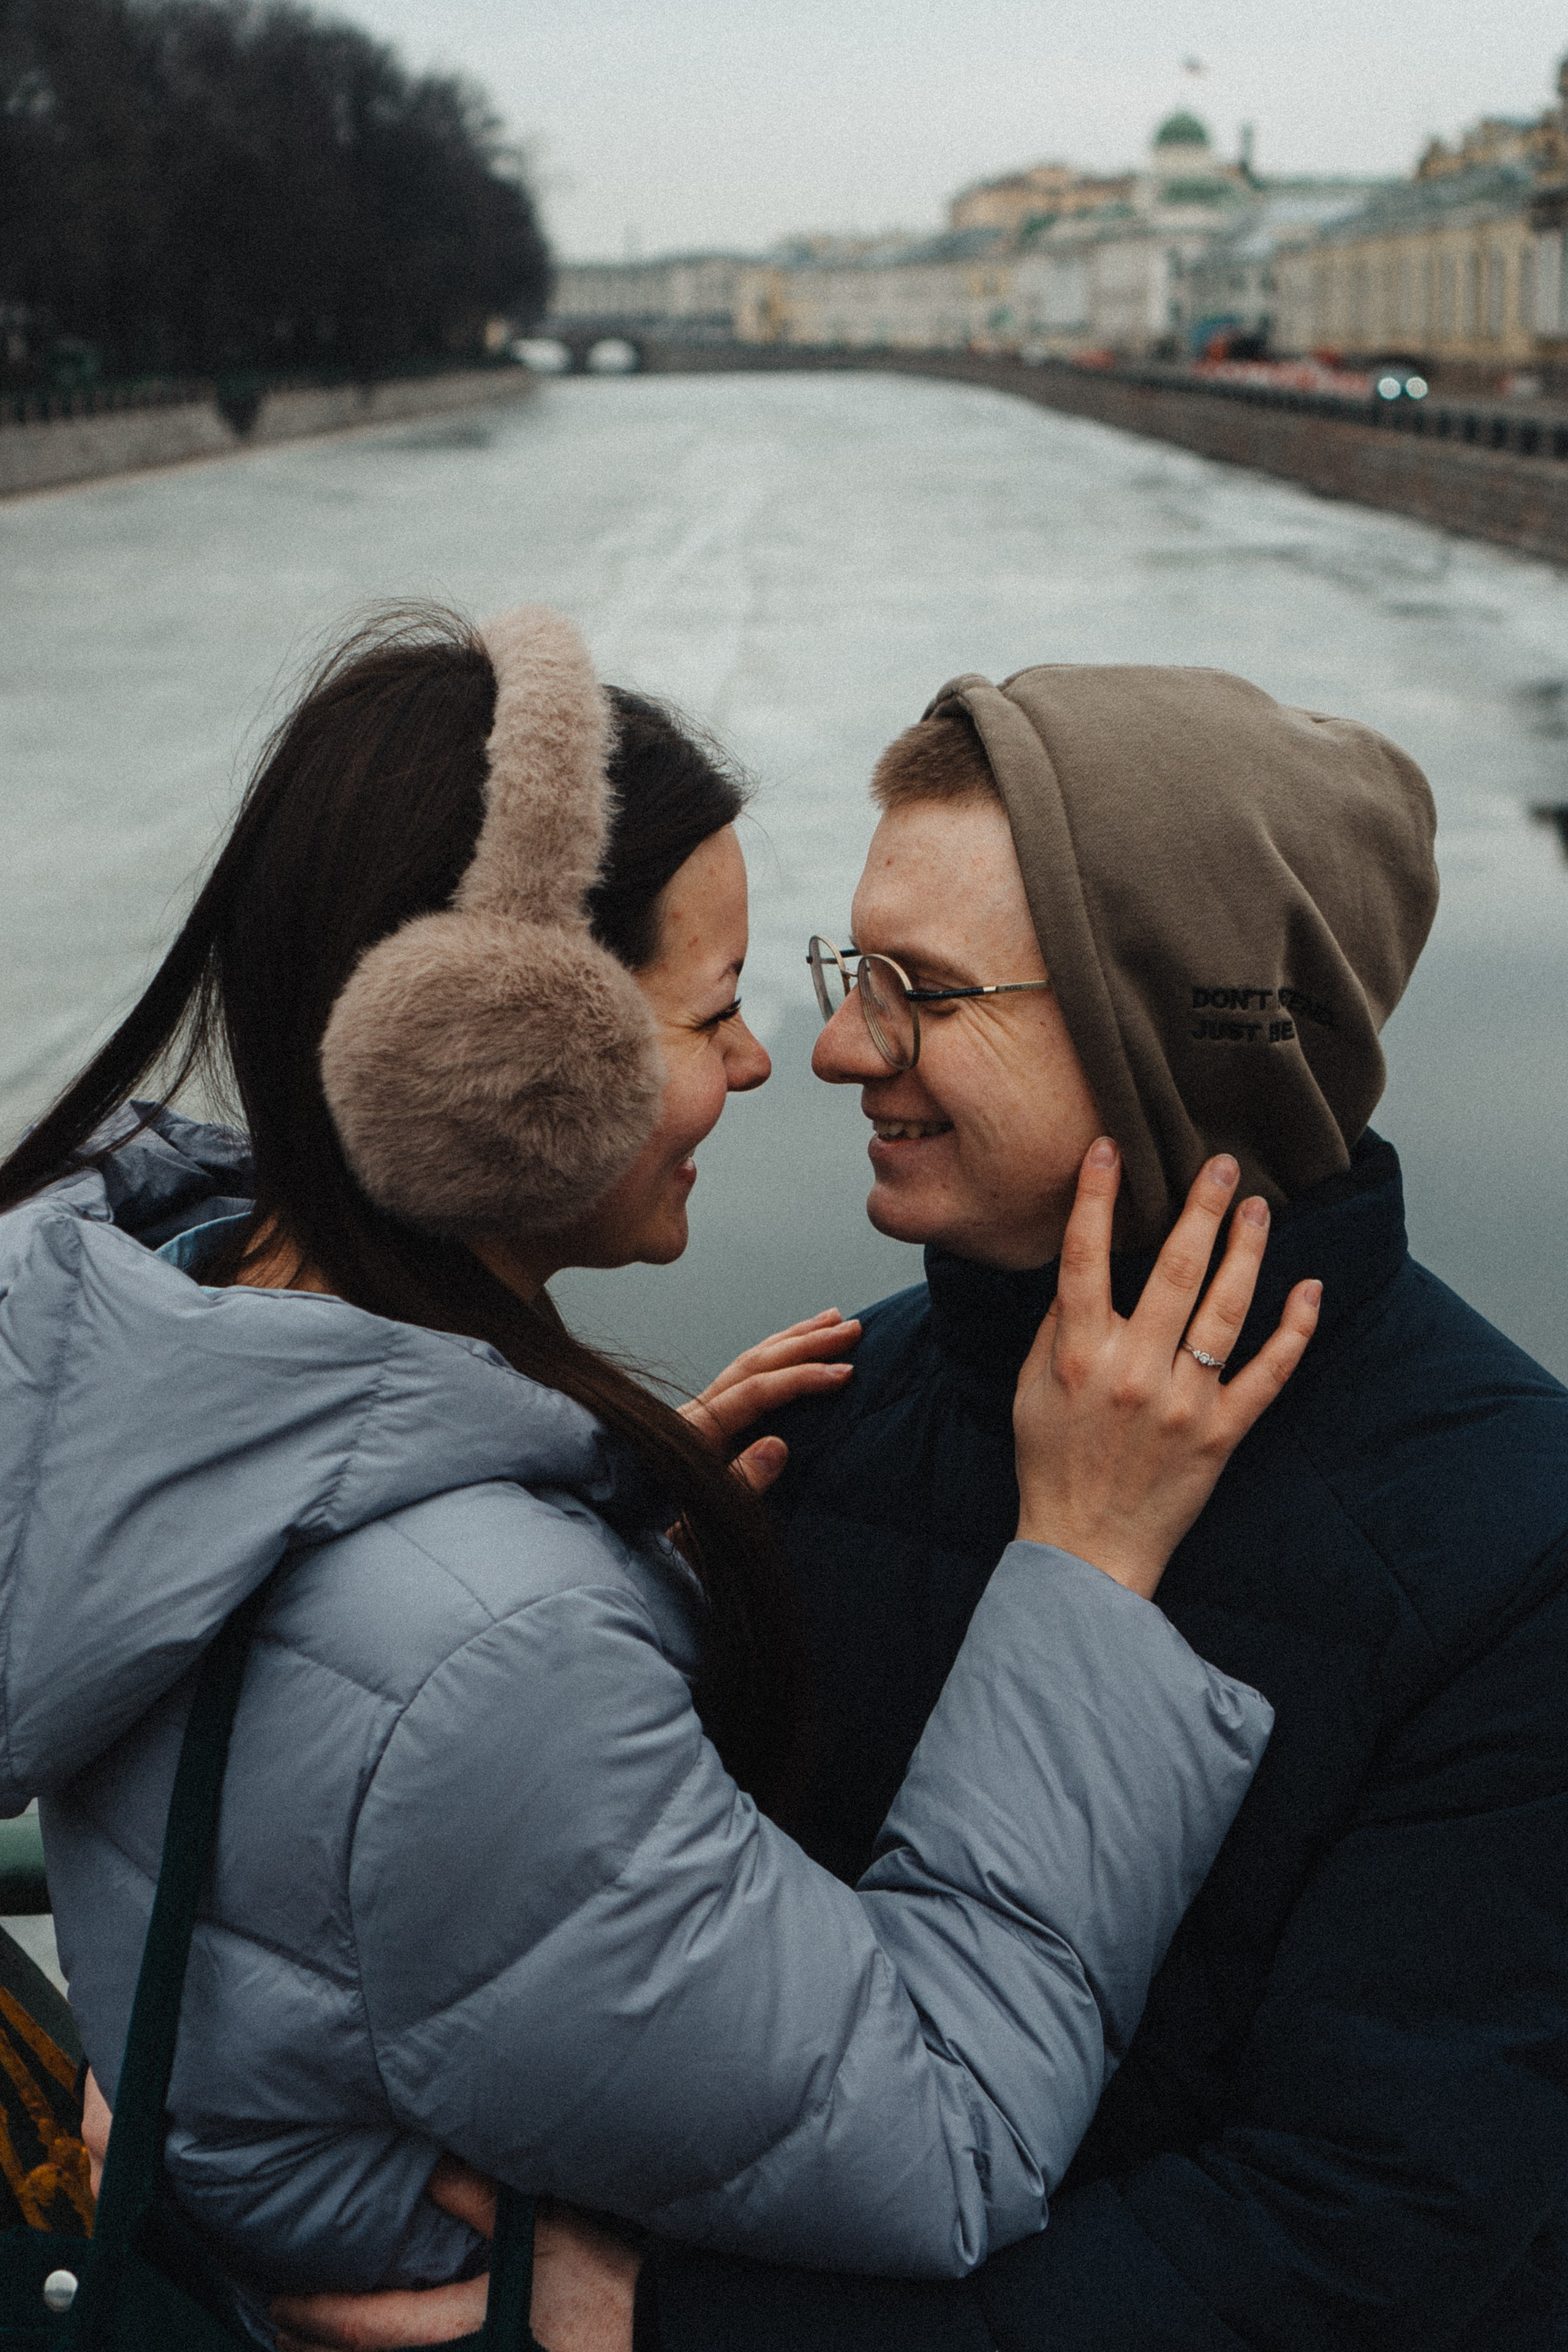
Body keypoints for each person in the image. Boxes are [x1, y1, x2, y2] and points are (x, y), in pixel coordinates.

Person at [0, 611, 1317, 2341]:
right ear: (508, 1067)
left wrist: (599, 1501)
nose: (776, 1061)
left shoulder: (165, 1335)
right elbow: (945, 2140)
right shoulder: (488, 1650)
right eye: (712, 1017)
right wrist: (1082, 1567)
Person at [303, 657, 1568, 2352]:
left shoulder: (1517, 1547)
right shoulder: (815, 1413)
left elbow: (1359, 2241)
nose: (837, 1050)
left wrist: (669, 2329)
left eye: (920, 991)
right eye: (849, 971)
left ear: (1170, 1025)